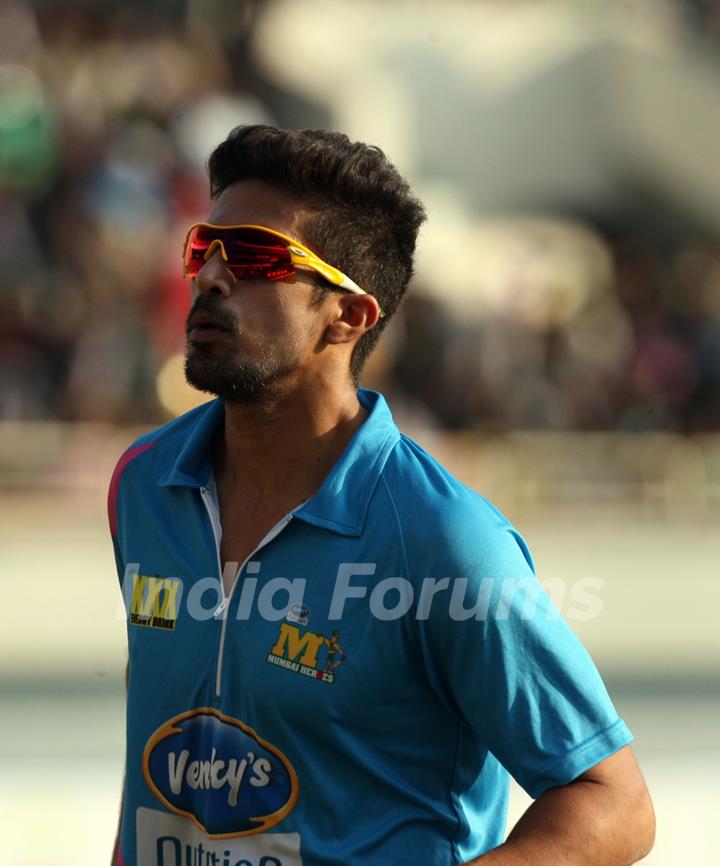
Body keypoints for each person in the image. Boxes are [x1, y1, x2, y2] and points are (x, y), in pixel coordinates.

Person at [108, 125, 655, 866]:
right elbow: (158, 746)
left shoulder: (442, 539)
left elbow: (612, 803)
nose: (210, 276)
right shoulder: (142, 484)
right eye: (205, 247)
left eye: (257, 258)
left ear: (350, 314)